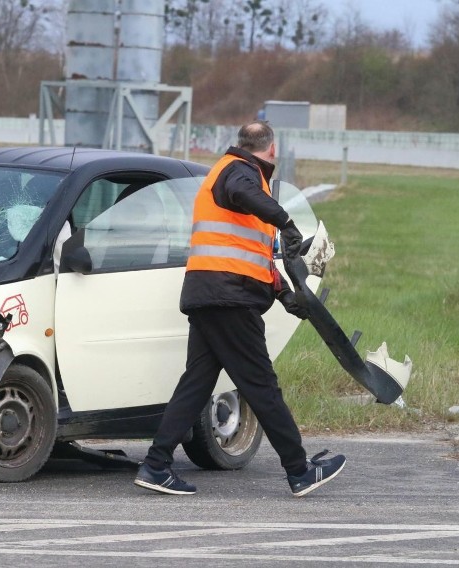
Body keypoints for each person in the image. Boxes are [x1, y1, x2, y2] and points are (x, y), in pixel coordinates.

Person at [134, 120, 346, 497]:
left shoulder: (239, 180)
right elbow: (242, 195)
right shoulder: (237, 172)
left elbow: (253, 257)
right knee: (261, 385)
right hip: (229, 299)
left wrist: (283, 295)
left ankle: (155, 466)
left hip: (211, 294)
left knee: (196, 385)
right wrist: (286, 222)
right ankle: (299, 471)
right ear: (272, 150)